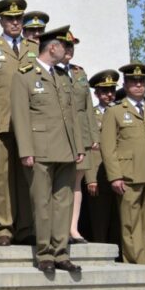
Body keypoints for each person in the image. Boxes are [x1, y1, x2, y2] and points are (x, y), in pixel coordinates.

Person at [11, 26, 87, 274]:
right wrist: (26, 150)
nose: (67, 51)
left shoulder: (64, 77)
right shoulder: (24, 75)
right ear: (52, 47)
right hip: (40, 149)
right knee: (42, 204)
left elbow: (72, 116)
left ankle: (61, 252)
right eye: (64, 46)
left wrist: (78, 146)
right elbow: (20, 117)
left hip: (65, 149)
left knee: (63, 204)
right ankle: (45, 253)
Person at [0, 0, 37, 246]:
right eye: (10, 19)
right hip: (1, 121)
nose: (15, 22)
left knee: (28, 177)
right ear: (1, 21)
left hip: (31, 124)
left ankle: (27, 226)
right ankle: (4, 227)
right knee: (2, 178)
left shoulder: (34, 48)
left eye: (18, 18)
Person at [100, 63, 145, 265]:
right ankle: (135, 262)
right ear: (126, 85)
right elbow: (108, 147)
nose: (138, 85)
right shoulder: (116, 111)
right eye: (133, 81)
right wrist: (115, 175)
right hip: (128, 175)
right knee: (130, 222)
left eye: (141, 81)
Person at [61, 35, 95, 244]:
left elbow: (88, 107)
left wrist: (93, 136)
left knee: (76, 182)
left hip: (81, 135)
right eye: (65, 45)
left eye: (71, 46)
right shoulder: (49, 71)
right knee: (58, 184)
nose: (69, 50)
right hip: (61, 133)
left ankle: (73, 228)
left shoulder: (79, 72)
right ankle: (58, 228)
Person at [85, 69, 121, 245]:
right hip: (99, 175)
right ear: (96, 93)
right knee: (100, 221)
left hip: (122, 175)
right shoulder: (90, 115)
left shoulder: (122, 112)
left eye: (112, 90)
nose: (109, 95)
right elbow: (90, 149)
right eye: (105, 91)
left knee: (119, 222)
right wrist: (91, 178)